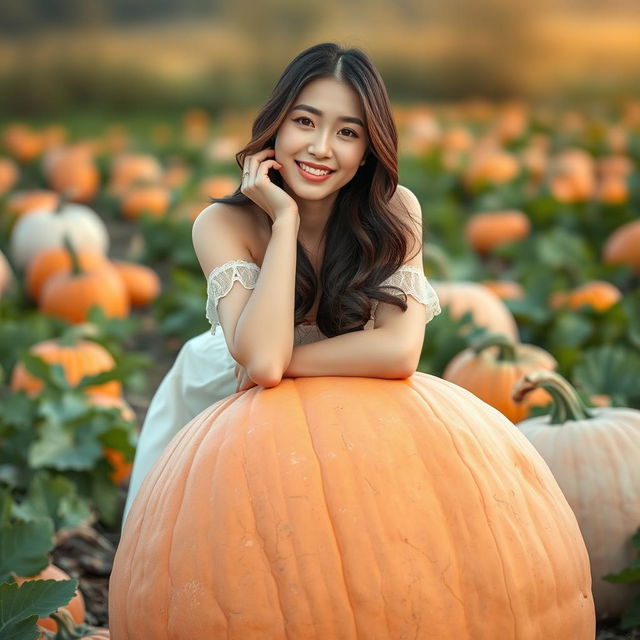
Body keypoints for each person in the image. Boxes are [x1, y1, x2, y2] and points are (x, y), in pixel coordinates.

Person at [122, 42, 441, 524]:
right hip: (224, 399)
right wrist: (285, 221)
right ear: (277, 124)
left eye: (347, 131)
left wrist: (290, 362)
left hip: (336, 393)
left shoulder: (398, 212)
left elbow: (399, 352)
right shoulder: (222, 225)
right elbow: (263, 365)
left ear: (369, 149)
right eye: (305, 121)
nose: (320, 147)